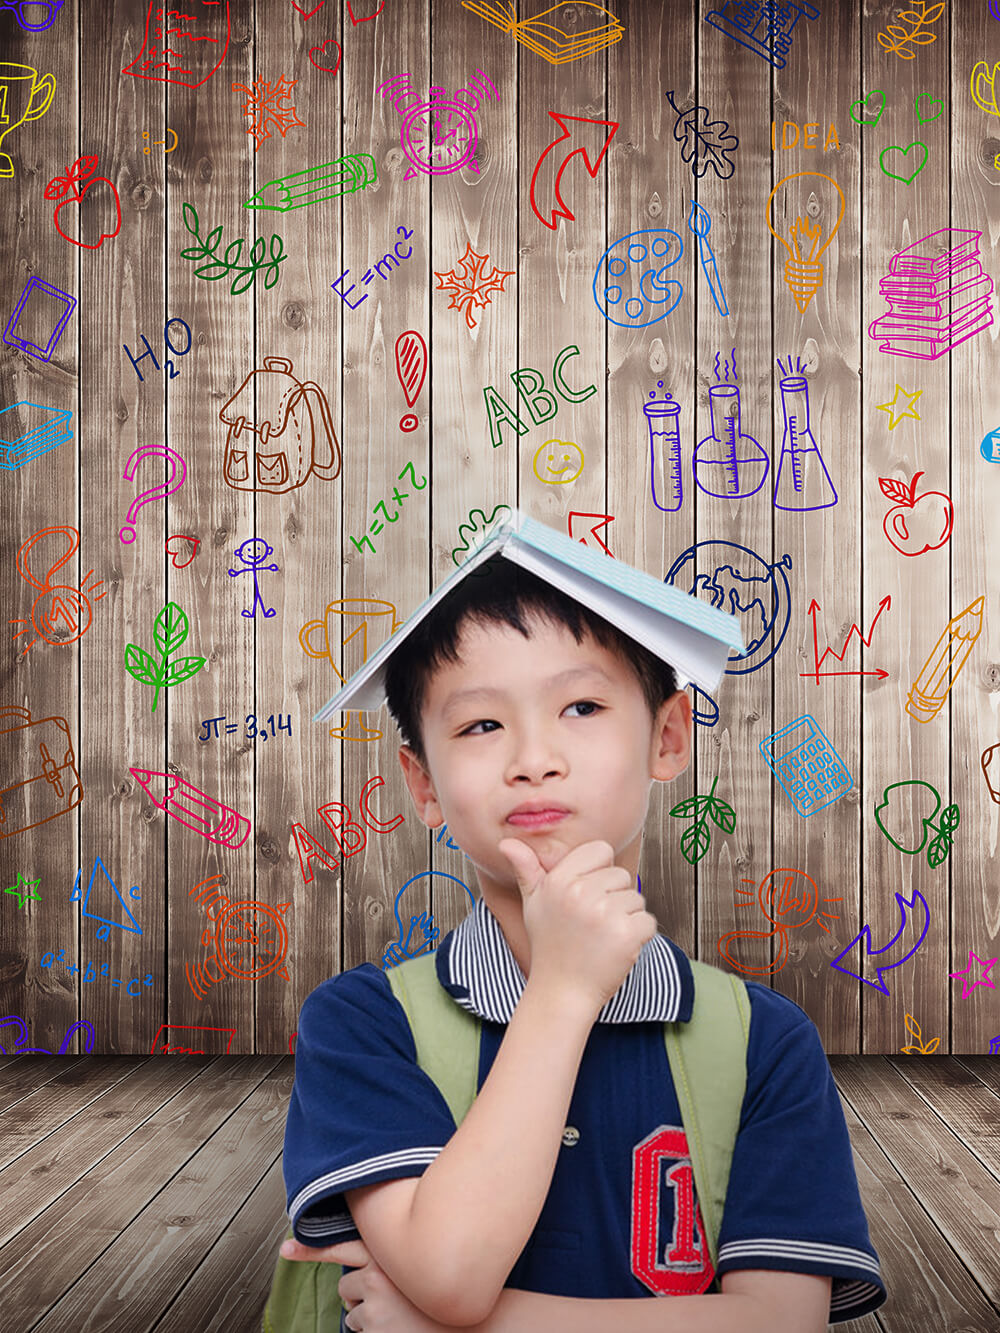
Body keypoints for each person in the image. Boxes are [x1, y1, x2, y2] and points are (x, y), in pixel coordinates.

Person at [279, 513, 886, 1331]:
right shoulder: (362, 1023)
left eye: (582, 706)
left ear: (667, 737)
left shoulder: (763, 1043)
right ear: (422, 784)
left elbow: (782, 1320)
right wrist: (563, 990)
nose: (534, 755)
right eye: (481, 724)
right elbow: (450, 1269)